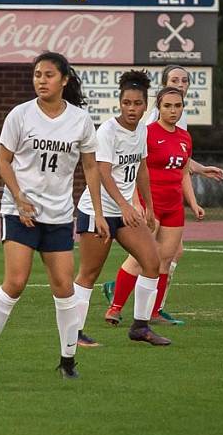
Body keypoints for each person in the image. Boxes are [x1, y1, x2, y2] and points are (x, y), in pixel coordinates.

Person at [0, 52, 107, 381]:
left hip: (59, 216)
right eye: (37, 75)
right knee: (16, 282)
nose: (41, 81)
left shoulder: (80, 120)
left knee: (64, 288)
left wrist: (98, 212)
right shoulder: (20, 115)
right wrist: (19, 197)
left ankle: (67, 362)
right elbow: (3, 161)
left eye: (48, 75)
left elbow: (91, 167)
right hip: (20, 212)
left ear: (64, 80)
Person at [101, 65, 223, 323]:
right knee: (142, 258)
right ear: (158, 107)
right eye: (167, 106)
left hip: (173, 207)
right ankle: (115, 306)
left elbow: (182, 172)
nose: (173, 110)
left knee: (166, 260)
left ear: (182, 107)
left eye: (177, 106)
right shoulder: (146, 132)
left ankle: (154, 312)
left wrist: (193, 203)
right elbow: (136, 168)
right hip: (151, 203)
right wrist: (137, 202)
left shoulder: (184, 137)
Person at [73, 71, 171, 347]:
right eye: (126, 103)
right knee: (89, 273)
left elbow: (140, 168)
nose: (131, 108)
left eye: (137, 103)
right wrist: (125, 205)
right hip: (98, 212)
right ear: (119, 103)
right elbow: (103, 172)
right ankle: (74, 333)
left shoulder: (141, 129)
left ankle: (140, 327)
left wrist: (148, 206)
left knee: (152, 261)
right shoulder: (107, 131)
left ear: (145, 105)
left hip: (126, 212)